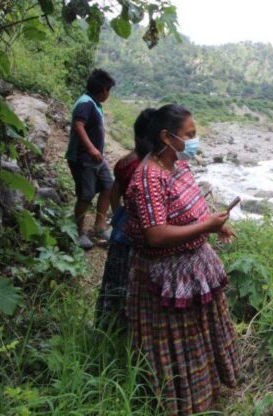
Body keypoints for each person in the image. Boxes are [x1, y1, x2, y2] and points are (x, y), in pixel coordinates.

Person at [124, 104, 239, 415]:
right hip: (167, 281)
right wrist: (206, 227)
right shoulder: (149, 178)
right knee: (179, 345)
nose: (194, 140)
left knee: (200, 338)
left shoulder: (179, 166)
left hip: (194, 272)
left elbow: (192, 205)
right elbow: (156, 235)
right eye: (190, 135)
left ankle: (208, 393)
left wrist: (215, 224)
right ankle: (181, 404)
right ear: (166, 137)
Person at [96, 108, 156, 329]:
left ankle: (110, 325)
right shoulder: (150, 168)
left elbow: (115, 195)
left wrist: (120, 216)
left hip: (122, 233)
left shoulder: (124, 163)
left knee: (116, 282)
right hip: (142, 239)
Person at [65, 69, 116, 250]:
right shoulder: (85, 103)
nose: (109, 94)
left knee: (109, 186)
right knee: (86, 195)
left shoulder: (94, 104)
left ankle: (99, 227)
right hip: (83, 158)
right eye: (109, 90)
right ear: (103, 90)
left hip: (96, 159)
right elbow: (78, 125)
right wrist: (91, 148)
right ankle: (78, 232)